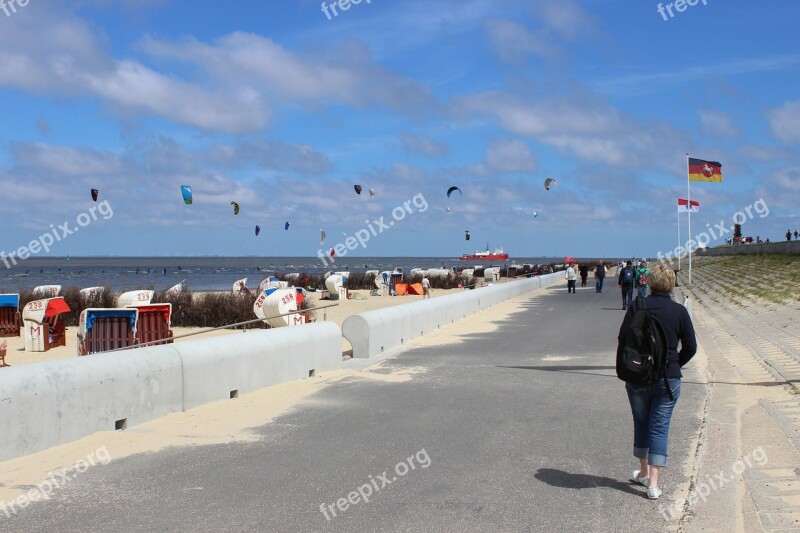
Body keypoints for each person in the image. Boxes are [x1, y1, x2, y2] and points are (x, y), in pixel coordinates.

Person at [618, 264, 697, 500]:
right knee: (659, 427)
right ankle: (652, 484)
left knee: (641, 422)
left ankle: (642, 471)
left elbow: (623, 338)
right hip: (667, 379)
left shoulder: (637, 306)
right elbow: (691, 347)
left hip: (638, 376)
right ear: (671, 283)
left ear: (650, 282)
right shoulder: (679, 311)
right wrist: (674, 364)